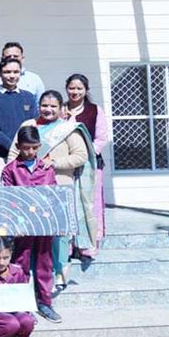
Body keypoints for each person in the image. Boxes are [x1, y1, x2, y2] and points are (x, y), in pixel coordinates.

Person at [8, 92, 98, 293]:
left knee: (58, 235)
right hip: (28, 189)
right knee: (31, 233)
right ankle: (29, 274)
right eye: (44, 105)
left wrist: (54, 163)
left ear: (61, 108)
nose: (48, 109)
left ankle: (59, 274)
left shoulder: (67, 129)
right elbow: (14, 153)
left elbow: (81, 156)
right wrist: (14, 173)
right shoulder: (28, 125)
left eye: (53, 106)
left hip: (58, 188)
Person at [3, 125, 60, 323]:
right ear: (18, 146)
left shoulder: (46, 167)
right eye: (26, 148)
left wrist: (55, 221)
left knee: (45, 263)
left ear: (39, 146)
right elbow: (8, 199)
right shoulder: (10, 170)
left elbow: (53, 195)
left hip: (43, 225)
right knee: (20, 263)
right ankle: (21, 304)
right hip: (22, 227)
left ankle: (45, 302)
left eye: (34, 148)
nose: (30, 152)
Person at [64, 73, 108, 260]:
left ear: (86, 90)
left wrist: (86, 155)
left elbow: (102, 138)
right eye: (72, 88)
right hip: (65, 165)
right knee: (68, 204)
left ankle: (87, 247)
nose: (75, 92)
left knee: (90, 205)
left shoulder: (95, 110)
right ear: (66, 88)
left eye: (79, 88)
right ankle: (68, 246)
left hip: (90, 164)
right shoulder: (61, 109)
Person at [0, 58, 37, 159]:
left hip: (26, 155)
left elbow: (34, 125)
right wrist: (13, 148)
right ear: (0, 74)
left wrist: (26, 148)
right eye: (7, 72)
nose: (12, 76)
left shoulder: (28, 96)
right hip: (0, 156)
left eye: (16, 72)